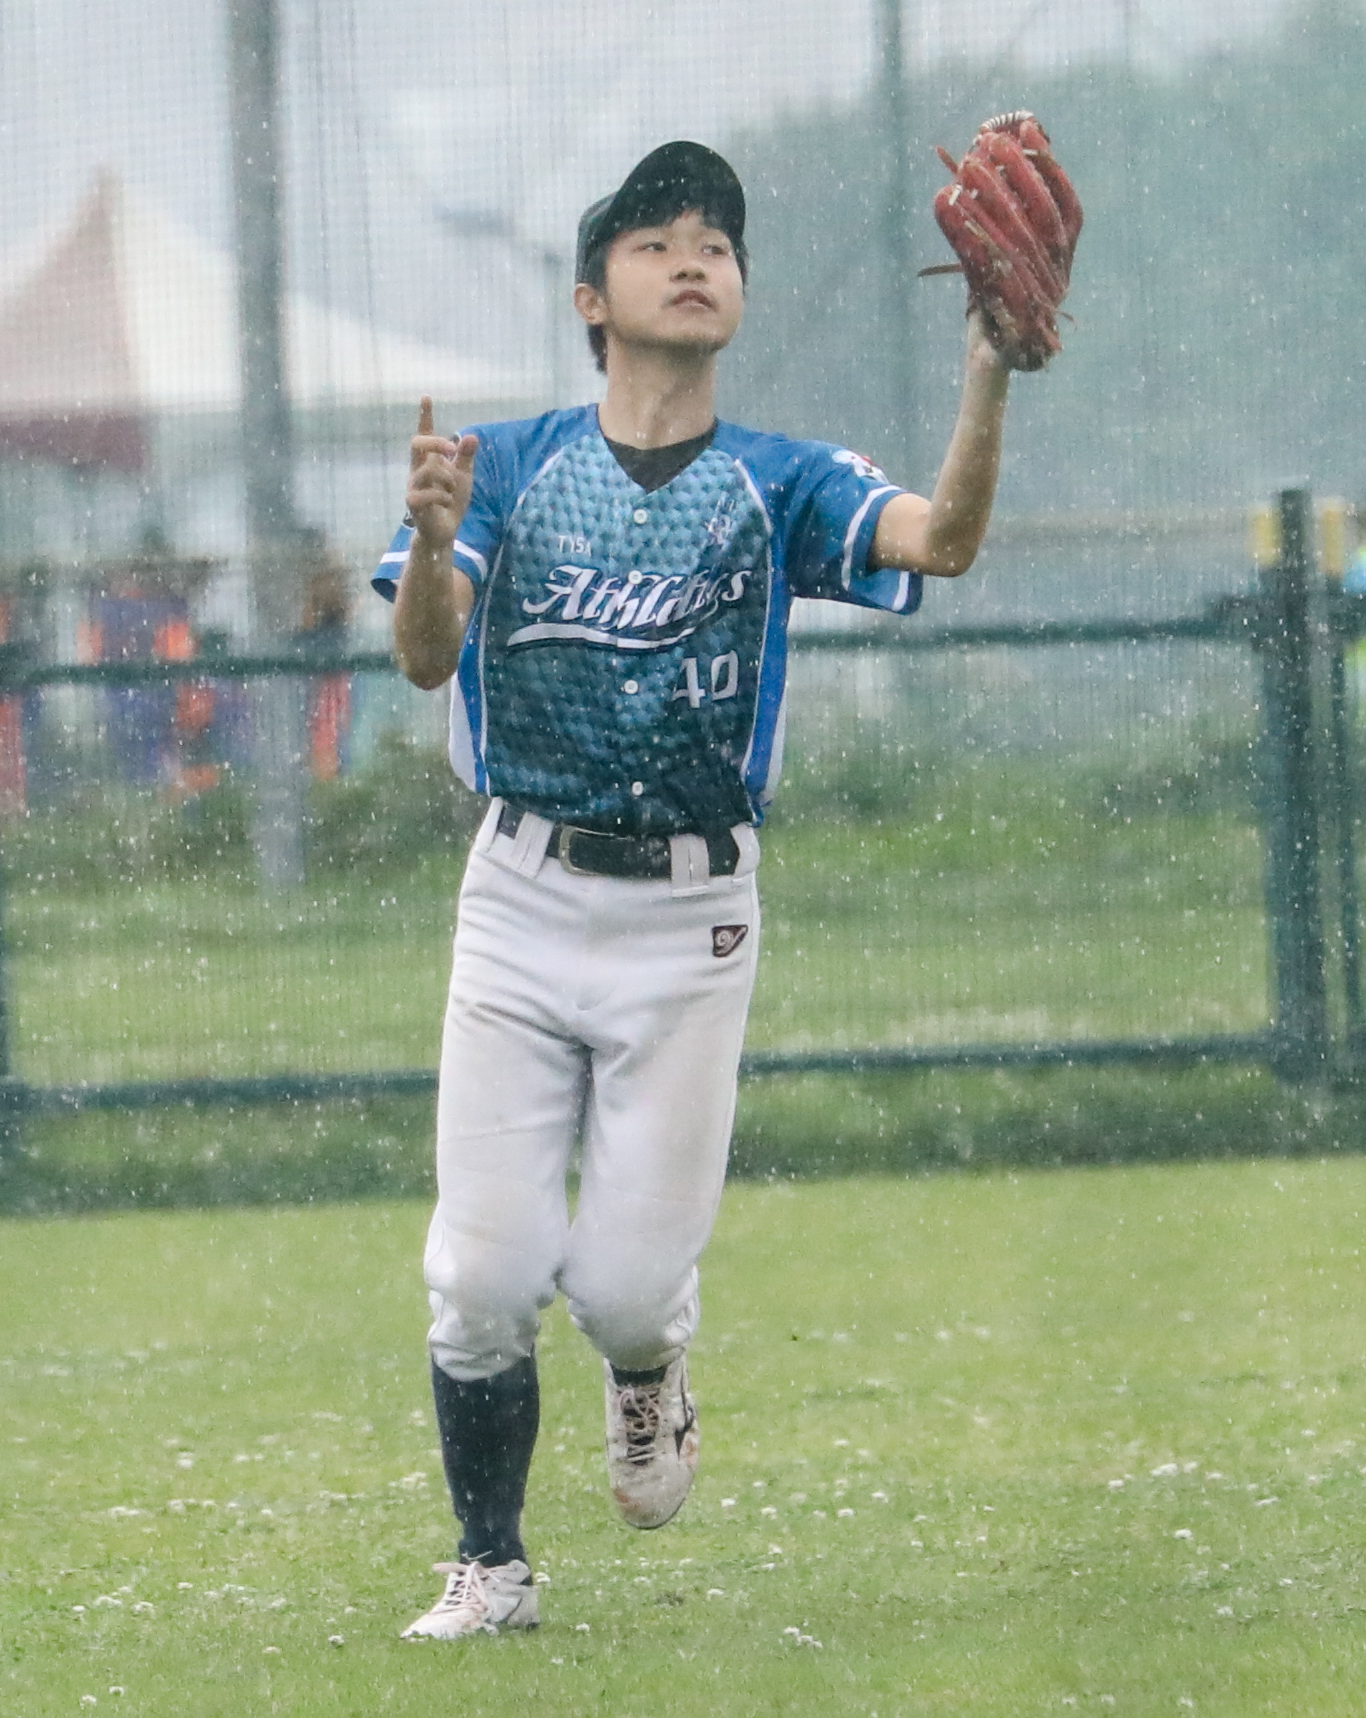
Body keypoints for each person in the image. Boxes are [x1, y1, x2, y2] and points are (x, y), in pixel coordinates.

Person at [372, 139, 1017, 1640]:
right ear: (591, 299)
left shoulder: (780, 479)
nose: (693, 260)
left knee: (622, 1290)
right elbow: (422, 656)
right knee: (481, 1274)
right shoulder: (503, 465)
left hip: (689, 917)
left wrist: (988, 370)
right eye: (657, 241)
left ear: (736, 293)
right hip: (522, 896)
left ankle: (649, 1367)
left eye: (716, 244)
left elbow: (946, 540)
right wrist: (431, 541)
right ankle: (490, 1565)